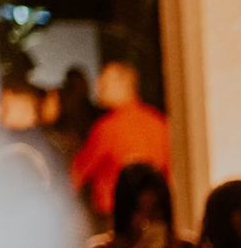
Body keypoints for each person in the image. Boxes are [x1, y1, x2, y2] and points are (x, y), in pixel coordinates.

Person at [70, 61, 171, 219]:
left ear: (124, 85)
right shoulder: (159, 123)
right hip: (156, 217)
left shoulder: (108, 128)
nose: (98, 88)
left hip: (115, 220)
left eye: (104, 84)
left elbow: (77, 174)